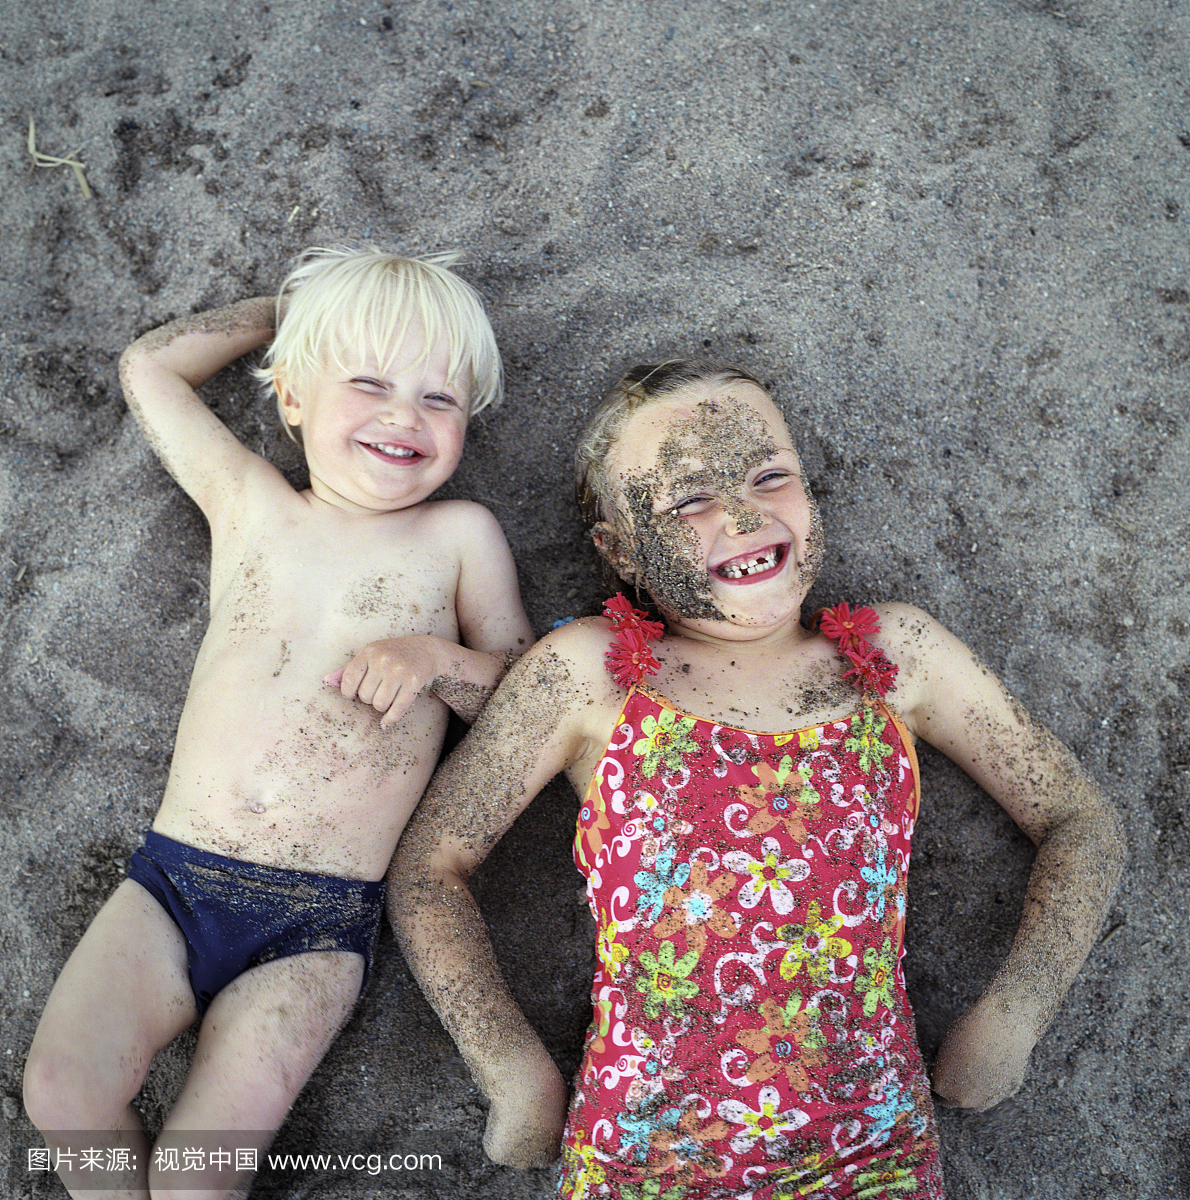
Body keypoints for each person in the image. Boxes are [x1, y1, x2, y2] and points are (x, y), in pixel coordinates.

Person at [386, 358, 1124, 1198]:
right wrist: (511, 1068)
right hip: (641, 1157)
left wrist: (1014, 1017)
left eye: (770, 476)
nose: (742, 513)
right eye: (688, 498)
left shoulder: (896, 655)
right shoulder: (587, 673)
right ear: (620, 548)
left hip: (871, 1153)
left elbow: (1078, 819)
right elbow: (428, 870)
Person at [23, 247, 533, 1199]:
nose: (401, 416)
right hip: (171, 883)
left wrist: (438, 660)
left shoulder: (458, 538)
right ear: (292, 395)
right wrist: (291, 313)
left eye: (439, 399)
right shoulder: (252, 503)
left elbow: (525, 693)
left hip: (316, 922)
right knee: (62, 1091)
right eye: (368, 381)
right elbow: (151, 368)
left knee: (194, 1179)